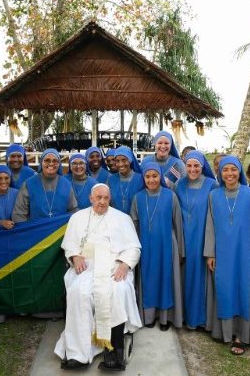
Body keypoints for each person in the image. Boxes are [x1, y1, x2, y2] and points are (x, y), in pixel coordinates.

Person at [54, 184, 142, 371]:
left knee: (117, 291)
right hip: (87, 265)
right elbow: (69, 245)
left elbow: (134, 247)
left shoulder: (122, 218)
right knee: (79, 292)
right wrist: (75, 256)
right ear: (91, 198)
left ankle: (113, 350)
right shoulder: (77, 218)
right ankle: (78, 353)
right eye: (98, 197)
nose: (102, 202)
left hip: (114, 265)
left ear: (110, 199)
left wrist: (125, 264)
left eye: (106, 198)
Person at [204, 156, 250, 355]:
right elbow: (210, 226)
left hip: (245, 251)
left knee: (244, 289)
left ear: (240, 172)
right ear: (220, 173)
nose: (229, 174)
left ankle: (242, 335)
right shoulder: (214, 195)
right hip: (222, 252)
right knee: (225, 288)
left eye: (233, 170)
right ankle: (226, 332)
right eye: (225, 170)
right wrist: (210, 253)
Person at [130, 162, 185, 330]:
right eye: (148, 176)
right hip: (145, 246)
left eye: (155, 176)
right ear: (143, 178)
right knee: (149, 280)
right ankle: (149, 317)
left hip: (167, 245)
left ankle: (165, 318)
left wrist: (181, 250)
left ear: (160, 176)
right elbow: (133, 226)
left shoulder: (170, 196)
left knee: (165, 279)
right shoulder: (138, 198)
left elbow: (177, 224)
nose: (151, 180)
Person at [174, 150, 219, 330]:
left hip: (202, 237)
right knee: (184, 278)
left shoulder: (211, 185)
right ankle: (184, 316)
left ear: (202, 166)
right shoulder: (178, 184)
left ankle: (200, 318)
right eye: (189, 165)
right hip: (184, 237)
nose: (192, 169)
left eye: (196, 166)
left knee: (201, 279)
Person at [12, 148, 78, 222]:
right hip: (36, 231)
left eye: (55, 161)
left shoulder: (66, 184)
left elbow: (73, 210)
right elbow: (19, 214)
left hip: (61, 231)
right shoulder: (28, 184)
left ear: (59, 164)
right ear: (41, 162)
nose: (51, 163)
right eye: (47, 160)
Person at [107, 146, 144, 215]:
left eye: (124, 160)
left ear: (130, 160)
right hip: (115, 221)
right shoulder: (111, 180)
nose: (120, 164)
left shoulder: (140, 179)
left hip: (134, 222)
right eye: (117, 161)